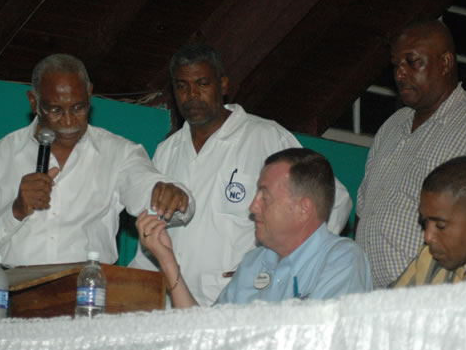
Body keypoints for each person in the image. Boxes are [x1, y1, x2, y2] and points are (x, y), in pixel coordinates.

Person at [129, 43, 353, 306]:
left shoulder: (264, 137)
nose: (192, 95)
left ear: (223, 85)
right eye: (182, 86)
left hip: (240, 306)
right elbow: (152, 234)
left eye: (202, 83)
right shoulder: (167, 150)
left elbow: (336, 199)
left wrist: (284, 265)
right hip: (174, 307)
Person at [0, 54, 193, 266]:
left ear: (90, 93)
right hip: (11, 298)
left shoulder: (118, 153)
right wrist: (15, 211)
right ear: (34, 102)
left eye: (78, 107)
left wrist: (174, 197)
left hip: (88, 298)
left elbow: (151, 191)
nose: (69, 120)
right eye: (55, 110)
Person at [355, 20, 466, 288]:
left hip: (439, 298)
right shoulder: (391, 126)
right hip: (372, 299)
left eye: (412, 62)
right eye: (396, 65)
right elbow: (362, 212)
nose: (400, 75)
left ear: (446, 62)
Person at [137, 148, 372, 308]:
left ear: (304, 209)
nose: (252, 206)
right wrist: (167, 262)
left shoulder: (341, 259)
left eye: (265, 197)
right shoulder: (253, 262)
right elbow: (207, 336)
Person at [394, 156, 466, 286]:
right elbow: (388, 304)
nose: (427, 237)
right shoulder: (432, 256)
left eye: (440, 226)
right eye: (424, 222)